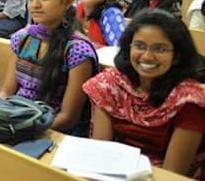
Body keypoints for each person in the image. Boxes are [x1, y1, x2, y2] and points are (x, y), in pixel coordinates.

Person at [83, 10, 205, 178]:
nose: (147, 57)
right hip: (112, 174)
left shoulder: (190, 101)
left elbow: (172, 175)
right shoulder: (109, 85)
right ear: (128, 48)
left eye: (160, 49)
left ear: (176, 56)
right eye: (140, 46)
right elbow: (102, 153)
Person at [0, 0, 99, 134]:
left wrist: (24, 130)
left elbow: (67, 117)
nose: (35, 5)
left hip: (50, 129)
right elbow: (7, 90)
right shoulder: (22, 38)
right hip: (16, 116)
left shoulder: (77, 50)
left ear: (67, 1)